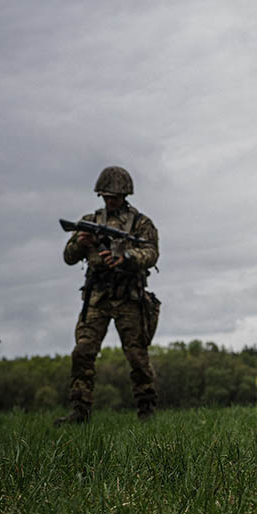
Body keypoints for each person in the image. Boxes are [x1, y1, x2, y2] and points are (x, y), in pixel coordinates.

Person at [57, 166, 161, 425]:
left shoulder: (140, 224)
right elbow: (68, 258)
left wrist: (125, 257)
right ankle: (80, 410)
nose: (109, 200)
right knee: (82, 352)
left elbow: (151, 254)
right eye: (105, 195)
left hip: (129, 297)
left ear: (125, 194)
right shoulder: (90, 221)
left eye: (114, 195)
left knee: (137, 357)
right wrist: (81, 242)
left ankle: (146, 411)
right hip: (97, 297)